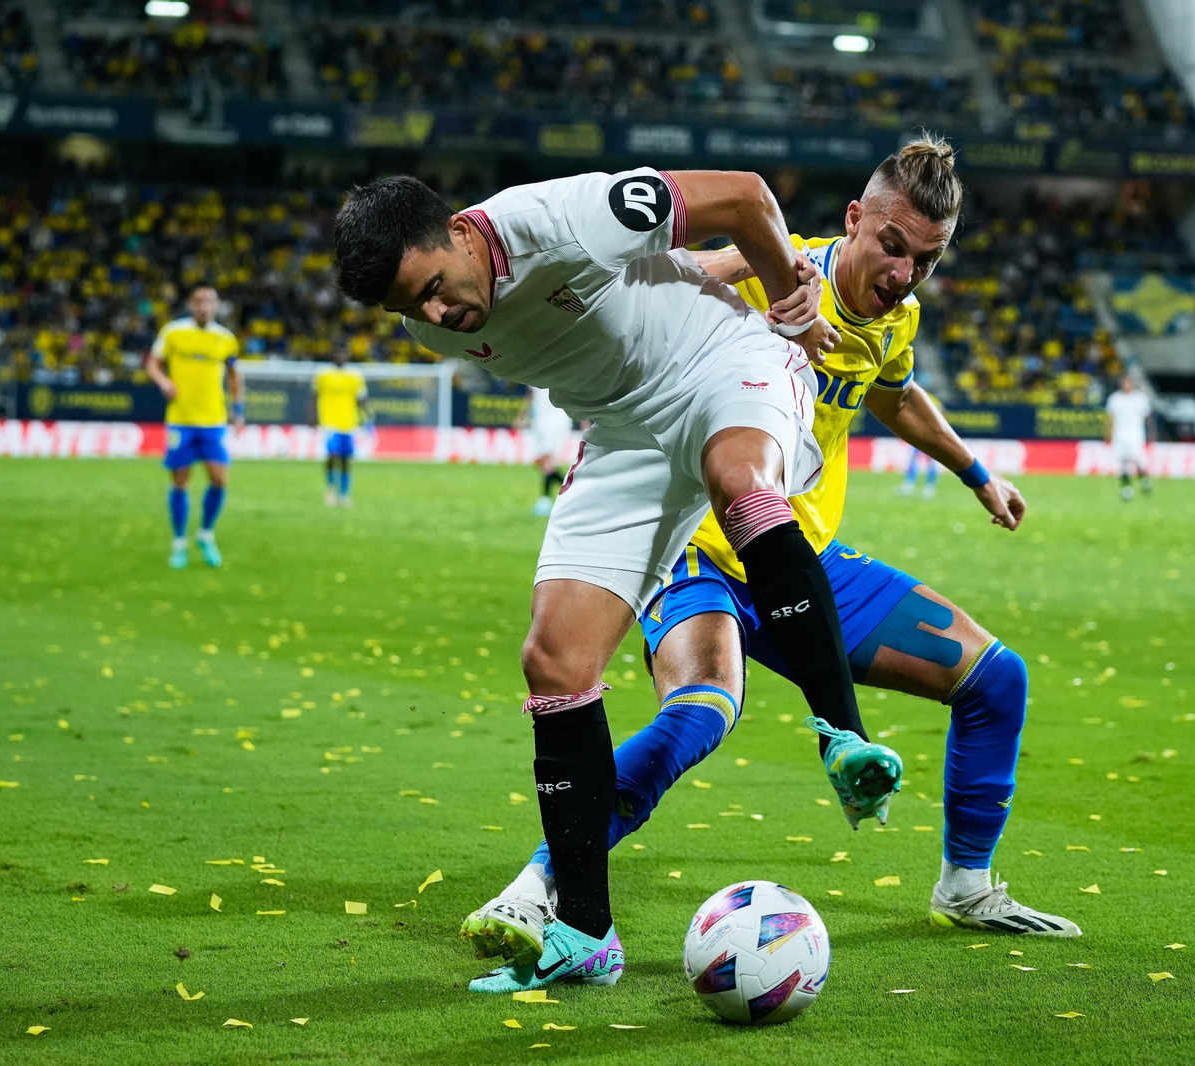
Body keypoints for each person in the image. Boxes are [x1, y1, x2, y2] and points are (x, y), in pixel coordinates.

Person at [466, 139, 1080, 976]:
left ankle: (966, 888)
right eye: (892, 246)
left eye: (927, 261)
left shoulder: (895, 317)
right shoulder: (773, 267)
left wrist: (976, 474)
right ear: (854, 220)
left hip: (804, 563)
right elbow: (655, 280)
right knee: (702, 709)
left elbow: (895, 394)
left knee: (996, 680)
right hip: (700, 552)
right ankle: (543, 882)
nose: (904, 274)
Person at [334, 166, 903, 995]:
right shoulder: (437, 328)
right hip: (625, 431)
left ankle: (843, 739)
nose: (432, 316)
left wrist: (791, 299)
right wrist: (721, 268)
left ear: (458, 232)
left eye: (430, 289)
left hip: (723, 364)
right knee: (553, 661)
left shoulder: (560, 217)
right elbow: (642, 279)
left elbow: (744, 195)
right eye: (406, 309)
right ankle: (584, 932)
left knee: (742, 485)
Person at [143, 285, 242, 568]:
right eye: (199, 301)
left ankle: (206, 534)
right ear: (190, 304)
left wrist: (238, 409)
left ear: (216, 305)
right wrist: (164, 382)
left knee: (219, 479)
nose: (204, 306)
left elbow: (234, 375)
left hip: (213, 420)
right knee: (180, 481)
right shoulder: (173, 332)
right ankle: (179, 544)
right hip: (181, 420)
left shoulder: (225, 338)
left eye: (209, 302)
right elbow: (152, 363)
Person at [312, 350, 368, 507]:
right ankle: (330, 489)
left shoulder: (355, 375)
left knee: (345, 459)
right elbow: (314, 396)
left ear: (348, 357)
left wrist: (366, 416)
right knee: (332, 455)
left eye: (343, 354)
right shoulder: (323, 374)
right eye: (337, 354)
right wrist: (312, 417)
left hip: (349, 423)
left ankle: (344, 494)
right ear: (332, 356)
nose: (340, 357)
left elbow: (360, 399)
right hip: (329, 422)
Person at [517, 386, 575, 516]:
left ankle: (545, 499)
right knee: (540, 462)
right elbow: (531, 394)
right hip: (540, 419)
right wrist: (523, 414)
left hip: (556, 418)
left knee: (547, 461)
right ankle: (572, 488)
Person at [1105, 375, 1153, 501]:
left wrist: (1151, 431)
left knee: (1138, 459)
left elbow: (1147, 417)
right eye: (1124, 383)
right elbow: (1110, 418)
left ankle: (1144, 480)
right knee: (1122, 462)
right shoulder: (1115, 399)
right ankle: (1126, 489)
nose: (1126, 385)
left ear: (1132, 384)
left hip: (1135, 434)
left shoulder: (1140, 398)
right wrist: (1108, 434)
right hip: (1119, 435)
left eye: (1128, 383)